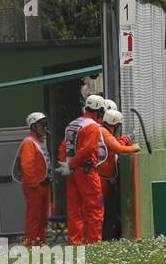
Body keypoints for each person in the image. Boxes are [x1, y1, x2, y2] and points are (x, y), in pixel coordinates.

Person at [60, 94, 109, 245]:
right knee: (95, 206)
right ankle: (94, 241)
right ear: (99, 111)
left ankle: (75, 240)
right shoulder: (92, 127)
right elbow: (87, 149)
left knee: (75, 208)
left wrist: (66, 165)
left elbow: (63, 147)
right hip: (86, 171)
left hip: (72, 172)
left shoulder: (72, 124)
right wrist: (72, 164)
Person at [17, 112, 53, 247]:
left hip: (44, 184)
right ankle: (32, 243)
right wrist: (35, 183)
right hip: (35, 186)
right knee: (34, 216)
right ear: (33, 127)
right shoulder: (29, 143)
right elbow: (27, 166)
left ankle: (41, 240)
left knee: (43, 216)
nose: (45, 127)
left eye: (45, 125)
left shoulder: (40, 142)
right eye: (41, 125)